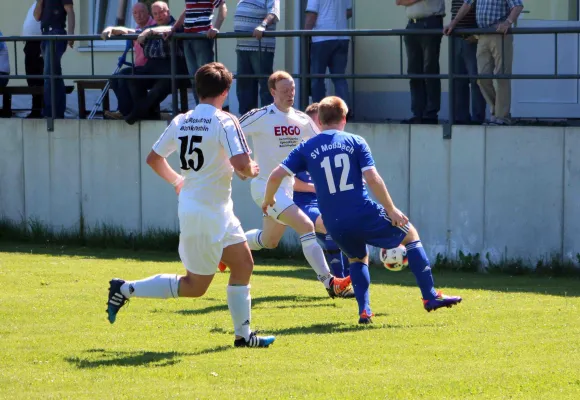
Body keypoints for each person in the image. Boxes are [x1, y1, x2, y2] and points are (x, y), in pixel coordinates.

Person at [106, 62, 275, 348]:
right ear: (226, 90)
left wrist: (177, 182)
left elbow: (154, 159)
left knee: (244, 263)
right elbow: (242, 165)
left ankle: (244, 336)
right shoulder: (225, 121)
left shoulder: (181, 120)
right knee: (195, 287)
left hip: (214, 209)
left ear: (198, 89)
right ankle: (125, 289)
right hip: (207, 213)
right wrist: (253, 169)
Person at [262, 96, 462, 324]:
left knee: (357, 258)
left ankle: (364, 311)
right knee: (410, 234)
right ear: (344, 118)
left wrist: (268, 201)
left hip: (334, 222)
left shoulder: (306, 147)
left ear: (321, 120)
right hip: (361, 210)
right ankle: (430, 296)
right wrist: (391, 209)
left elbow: (276, 174)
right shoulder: (355, 141)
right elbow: (373, 178)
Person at [240, 71, 353, 299]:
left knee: (269, 241)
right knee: (305, 225)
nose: (290, 94)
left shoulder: (302, 120)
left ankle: (229, 245)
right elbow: (231, 133)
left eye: (292, 89)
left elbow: (321, 143)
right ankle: (330, 282)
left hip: (286, 189)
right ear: (272, 92)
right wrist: (243, 162)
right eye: (284, 90)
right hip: (264, 186)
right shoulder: (260, 116)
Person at [293, 103, 349, 279]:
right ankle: (340, 281)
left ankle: (348, 278)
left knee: (347, 232)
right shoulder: (298, 147)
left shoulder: (331, 146)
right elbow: (290, 182)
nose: (321, 125)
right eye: (318, 121)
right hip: (303, 202)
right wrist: (317, 188)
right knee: (329, 225)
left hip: (327, 201)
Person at [444, 0, 524, 125]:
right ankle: (496, 110)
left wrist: (508, 22)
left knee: (501, 75)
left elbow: (518, 6)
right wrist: (453, 23)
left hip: (499, 34)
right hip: (482, 34)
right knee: (481, 77)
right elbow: (467, 4)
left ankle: (502, 116)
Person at [101, 2, 156, 119]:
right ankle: (125, 110)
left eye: (141, 12)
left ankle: (125, 112)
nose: (138, 15)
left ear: (148, 13)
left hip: (153, 69)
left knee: (123, 76)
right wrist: (109, 28)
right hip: (140, 68)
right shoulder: (137, 29)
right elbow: (127, 30)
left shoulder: (154, 26)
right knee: (114, 78)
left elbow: (137, 32)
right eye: (135, 13)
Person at [170, 0, 227, 105]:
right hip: (188, 37)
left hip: (202, 37)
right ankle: (200, 108)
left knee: (206, 76)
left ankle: (210, 108)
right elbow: (188, 9)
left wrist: (216, 28)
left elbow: (222, 6)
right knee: (194, 78)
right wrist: (174, 28)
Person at [234, 0, 280, 115]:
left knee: (265, 85)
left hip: (260, 46)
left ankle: (268, 118)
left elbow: (273, 13)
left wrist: (262, 25)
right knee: (244, 85)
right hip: (243, 47)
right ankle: (246, 120)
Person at [34, 0, 76, 119]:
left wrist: (71, 34)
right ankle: (57, 111)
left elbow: (70, 11)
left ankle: (50, 112)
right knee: (54, 73)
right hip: (44, 35)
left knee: (49, 73)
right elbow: (36, 17)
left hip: (56, 33)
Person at [22, 2, 44, 118]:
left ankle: (38, 109)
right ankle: (36, 108)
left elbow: (37, 16)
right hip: (31, 43)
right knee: (31, 78)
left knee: (37, 77)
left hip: (38, 43)